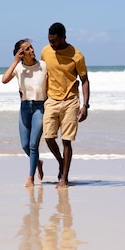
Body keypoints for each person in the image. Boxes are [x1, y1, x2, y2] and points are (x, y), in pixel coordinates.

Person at [40, 22, 90, 188]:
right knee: (48, 137)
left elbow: (84, 80)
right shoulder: (46, 51)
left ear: (63, 38)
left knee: (66, 141)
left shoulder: (76, 55)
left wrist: (85, 105)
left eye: (54, 41)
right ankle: (62, 162)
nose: (51, 44)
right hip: (52, 100)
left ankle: (64, 179)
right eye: (49, 40)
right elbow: (42, 74)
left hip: (70, 101)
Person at [2, 39, 47, 187]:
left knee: (34, 144)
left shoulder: (43, 66)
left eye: (31, 47)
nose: (31, 50)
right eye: (27, 49)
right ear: (21, 53)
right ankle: (37, 162)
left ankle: (31, 178)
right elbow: (4, 79)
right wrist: (15, 60)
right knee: (25, 145)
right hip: (24, 107)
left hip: (40, 107)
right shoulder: (18, 68)